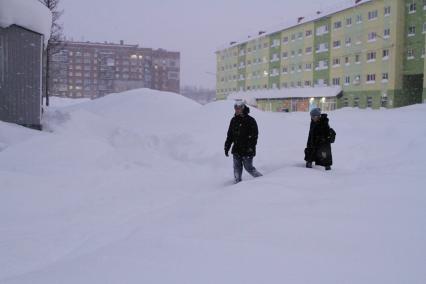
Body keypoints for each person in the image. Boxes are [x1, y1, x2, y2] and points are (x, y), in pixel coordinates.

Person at [224, 101, 263, 183]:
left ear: (243, 108)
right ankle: (237, 185)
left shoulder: (250, 120)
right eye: (236, 109)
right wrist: (227, 147)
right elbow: (230, 135)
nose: (237, 110)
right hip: (236, 149)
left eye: (239, 109)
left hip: (247, 150)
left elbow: (254, 136)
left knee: (248, 168)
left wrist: (250, 148)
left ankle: (262, 179)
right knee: (237, 169)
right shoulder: (233, 120)